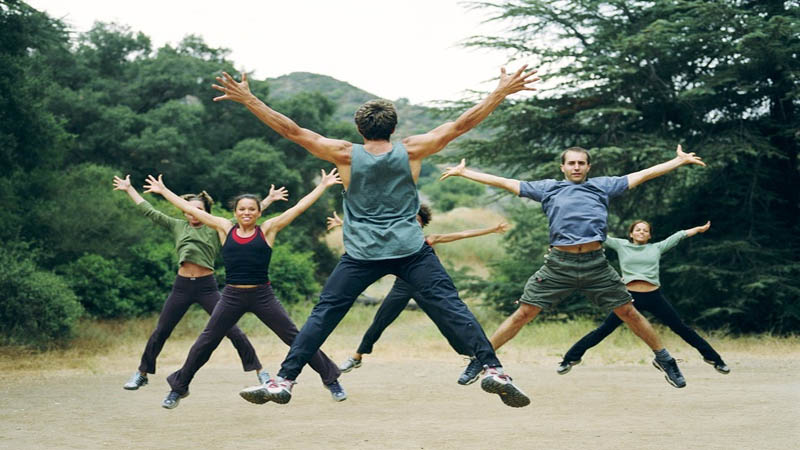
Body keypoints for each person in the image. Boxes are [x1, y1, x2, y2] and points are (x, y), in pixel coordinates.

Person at [215, 65, 539, 408]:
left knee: (324, 314)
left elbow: (293, 131)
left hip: (361, 254)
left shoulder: (344, 153)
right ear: (394, 128)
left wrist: (250, 99)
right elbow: (461, 124)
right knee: (451, 306)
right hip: (410, 250)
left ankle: (284, 380)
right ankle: (492, 369)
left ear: (359, 128)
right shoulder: (412, 150)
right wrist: (499, 93)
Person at [440, 145, 706, 389]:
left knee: (629, 311)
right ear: (563, 167)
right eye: (571, 163)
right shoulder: (548, 189)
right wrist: (466, 173)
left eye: (581, 163)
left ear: (588, 167)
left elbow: (643, 174)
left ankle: (664, 358)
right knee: (524, 313)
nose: (576, 167)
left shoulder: (603, 186)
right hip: (559, 264)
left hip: (595, 264)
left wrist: (677, 161)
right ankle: (482, 360)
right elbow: (508, 183)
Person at [141, 170, 346, 409]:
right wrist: (164, 191)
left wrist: (322, 186)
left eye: (251, 209)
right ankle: (178, 388)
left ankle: (331, 380)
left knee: (297, 338)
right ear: (235, 212)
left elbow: (298, 208)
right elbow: (194, 210)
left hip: (262, 295)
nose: (246, 213)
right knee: (206, 341)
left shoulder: (268, 229)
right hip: (232, 296)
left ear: (259, 212)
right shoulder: (224, 227)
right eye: (242, 209)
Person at [112, 175, 288, 391]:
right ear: (184, 211)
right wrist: (130, 189)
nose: (192, 213)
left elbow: (247, 215)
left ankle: (260, 372)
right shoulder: (176, 225)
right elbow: (149, 210)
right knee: (161, 330)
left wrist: (268, 199)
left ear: (205, 212)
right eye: (188, 209)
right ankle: (142, 373)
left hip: (207, 287)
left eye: (197, 209)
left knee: (233, 331)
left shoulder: (217, 227)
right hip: (182, 287)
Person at [326, 207, 509, 382]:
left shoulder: (428, 239)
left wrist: (492, 229)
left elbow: (462, 234)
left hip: (425, 288)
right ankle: (357, 356)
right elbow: (371, 231)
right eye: (411, 220)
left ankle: (473, 357)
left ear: (422, 224)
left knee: (446, 323)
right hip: (402, 287)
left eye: (418, 221)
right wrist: (343, 223)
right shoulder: (396, 239)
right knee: (380, 320)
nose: (414, 223)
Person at [557, 220, 730, 375]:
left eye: (645, 230)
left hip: (654, 296)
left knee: (681, 328)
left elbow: (679, 235)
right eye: (638, 230)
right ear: (631, 234)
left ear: (649, 235)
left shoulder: (656, 247)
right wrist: (574, 223)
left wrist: (698, 229)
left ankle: (715, 360)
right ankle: (569, 359)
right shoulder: (621, 245)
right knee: (604, 329)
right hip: (629, 298)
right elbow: (598, 235)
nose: (641, 232)